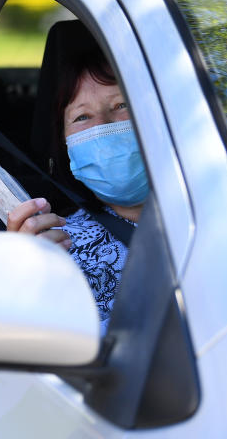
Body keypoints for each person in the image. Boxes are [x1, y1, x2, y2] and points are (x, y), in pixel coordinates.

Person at [37, 21, 149, 333]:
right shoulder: (57, 246)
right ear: (66, 144)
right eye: (82, 116)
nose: (104, 125)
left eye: (121, 105)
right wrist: (24, 275)